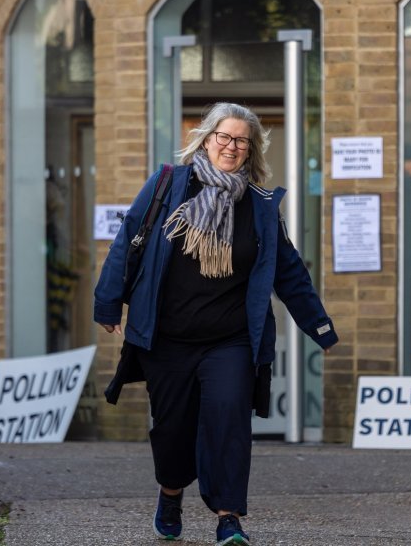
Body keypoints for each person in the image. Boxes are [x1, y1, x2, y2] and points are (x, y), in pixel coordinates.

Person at [94, 102, 338, 545]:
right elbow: (127, 238)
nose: (231, 146)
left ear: (250, 151)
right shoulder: (169, 185)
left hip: (230, 340)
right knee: (173, 429)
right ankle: (170, 493)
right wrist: (109, 303)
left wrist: (319, 327)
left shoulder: (261, 207)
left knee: (229, 421)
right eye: (224, 137)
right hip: (167, 339)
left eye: (241, 140)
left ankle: (229, 518)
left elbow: (289, 271)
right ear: (206, 140)